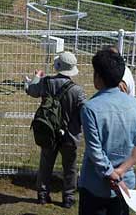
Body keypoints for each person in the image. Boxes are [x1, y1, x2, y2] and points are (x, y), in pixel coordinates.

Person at [79, 49, 136, 215]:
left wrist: (112, 174)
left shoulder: (90, 108)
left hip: (96, 185)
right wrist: (121, 171)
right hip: (125, 184)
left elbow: (95, 150)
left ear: (98, 77)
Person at [25, 51, 86, 208]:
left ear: (58, 66)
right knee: (70, 167)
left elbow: (31, 90)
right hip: (70, 135)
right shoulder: (77, 91)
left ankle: (43, 195)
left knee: (45, 164)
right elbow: (83, 113)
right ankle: (68, 198)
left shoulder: (46, 82)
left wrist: (37, 76)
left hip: (49, 131)